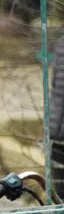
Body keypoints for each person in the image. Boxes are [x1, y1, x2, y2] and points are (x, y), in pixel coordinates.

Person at [49, 32, 64, 202]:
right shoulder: (61, 43)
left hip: (57, 132)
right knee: (60, 201)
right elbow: (56, 90)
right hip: (57, 137)